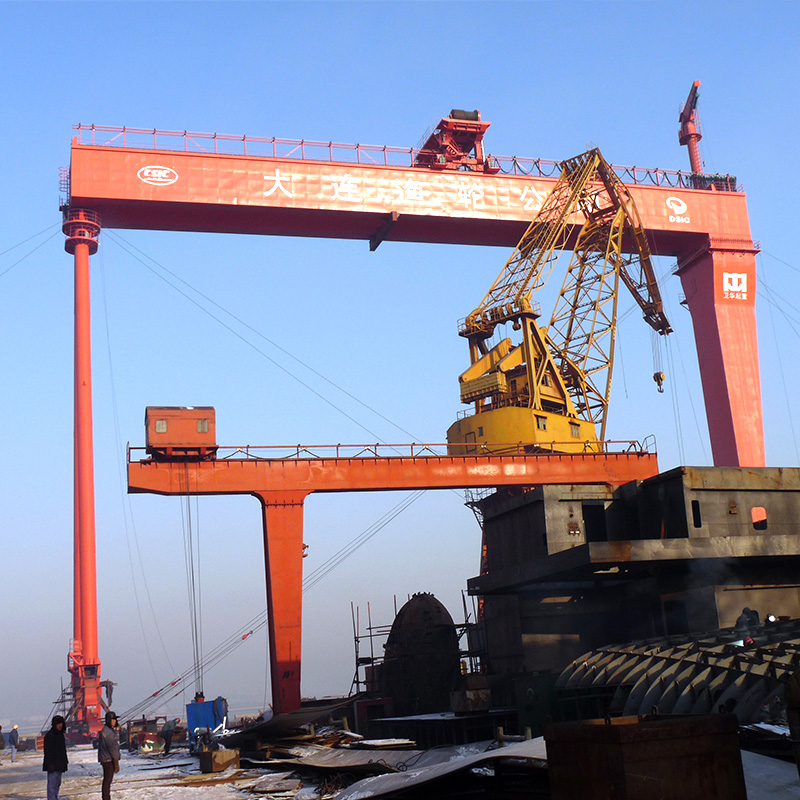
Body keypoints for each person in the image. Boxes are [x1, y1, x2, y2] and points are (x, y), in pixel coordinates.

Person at [42, 715, 68, 800]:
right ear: (54, 724)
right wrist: (50, 764)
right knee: (52, 785)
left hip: (60, 764)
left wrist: (65, 762)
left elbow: (63, 751)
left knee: (57, 784)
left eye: (61, 723)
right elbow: (48, 752)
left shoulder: (60, 735)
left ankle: (54, 798)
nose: (60, 725)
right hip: (53, 765)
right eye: (58, 724)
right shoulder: (50, 735)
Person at [97, 711, 121, 800]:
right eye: (113, 719)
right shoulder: (108, 732)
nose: (115, 721)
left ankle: (106, 797)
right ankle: (106, 798)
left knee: (107, 781)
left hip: (105, 758)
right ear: (109, 720)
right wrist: (116, 760)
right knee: (107, 781)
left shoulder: (107, 730)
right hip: (108, 759)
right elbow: (112, 747)